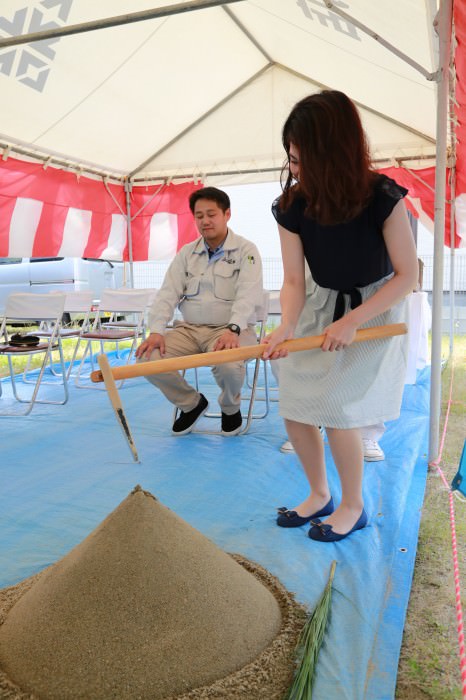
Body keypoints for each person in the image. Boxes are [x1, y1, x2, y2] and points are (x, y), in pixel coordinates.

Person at [263, 90, 418, 542]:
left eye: (303, 159)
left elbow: (406, 275)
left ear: (335, 153)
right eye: (292, 159)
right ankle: (319, 494)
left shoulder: (382, 196)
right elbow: (293, 280)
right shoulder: (291, 206)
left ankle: (354, 506)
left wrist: (354, 321)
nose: (296, 169)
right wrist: (286, 325)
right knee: (294, 402)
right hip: (317, 305)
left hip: (375, 310)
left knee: (339, 410)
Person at [135, 186, 263, 436]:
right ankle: (191, 404)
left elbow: (248, 294)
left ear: (227, 214)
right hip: (190, 330)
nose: (205, 221)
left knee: (228, 364)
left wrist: (233, 329)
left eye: (211, 214)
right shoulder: (187, 253)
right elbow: (167, 293)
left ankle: (230, 408)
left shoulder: (247, 251)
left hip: (231, 329)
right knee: (146, 359)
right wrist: (157, 330)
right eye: (199, 215)